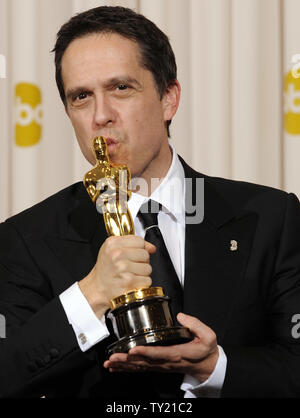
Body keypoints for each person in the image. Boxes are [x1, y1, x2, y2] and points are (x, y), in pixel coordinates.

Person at [0, 5, 300, 398]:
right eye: (81, 96)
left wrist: (214, 368)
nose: (101, 115)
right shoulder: (24, 238)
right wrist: (88, 296)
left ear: (168, 99)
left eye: (121, 88)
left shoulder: (270, 217)